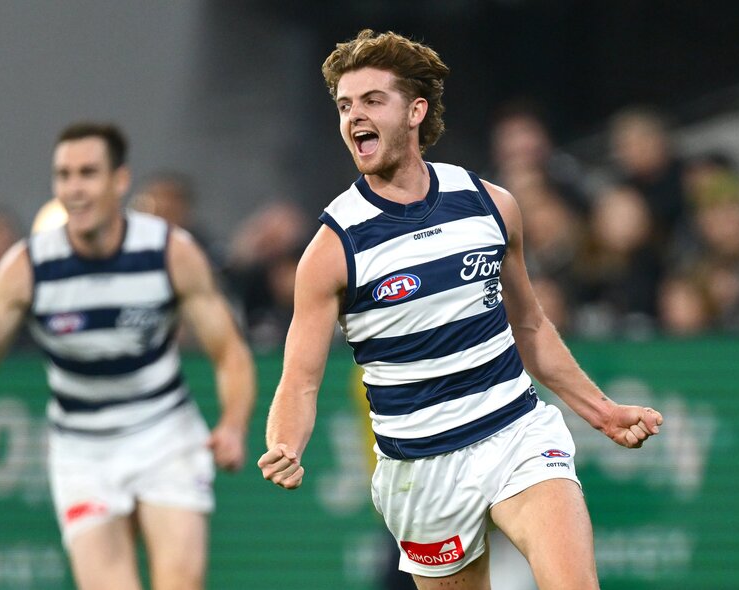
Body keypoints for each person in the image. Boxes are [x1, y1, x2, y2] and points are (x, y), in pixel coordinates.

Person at [257, 30, 663, 590]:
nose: (355, 117)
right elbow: (299, 380)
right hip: (421, 472)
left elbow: (529, 325)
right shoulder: (332, 249)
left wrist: (600, 410)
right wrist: (284, 444)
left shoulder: (490, 204)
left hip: (517, 433)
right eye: (345, 105)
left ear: (416, 110)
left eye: (373, 100)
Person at [0, 122, 256, 590]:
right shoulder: (27, 268)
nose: (74, 189)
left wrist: (233, 423)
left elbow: (229, 351)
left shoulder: (169, 251)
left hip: (164, 437)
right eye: (64, 175)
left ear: (119, 181)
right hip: (83, 451)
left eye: (87, 173)